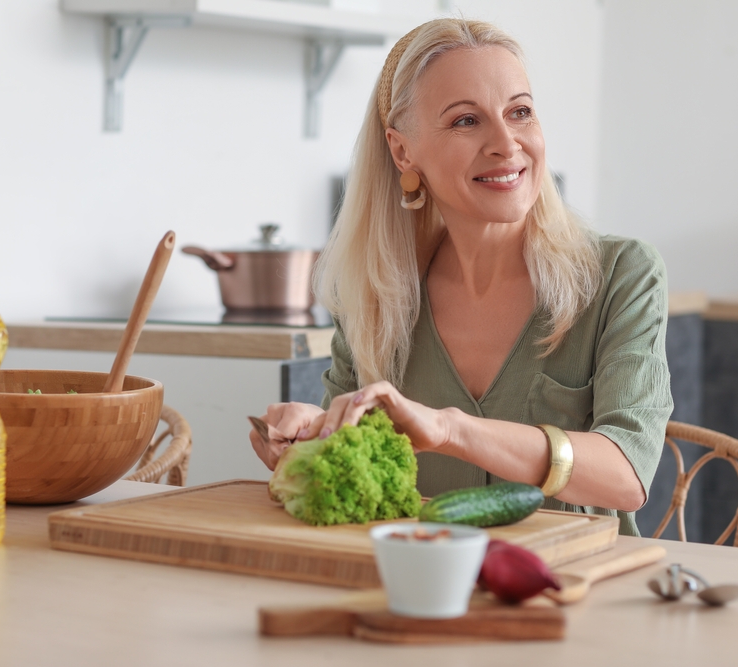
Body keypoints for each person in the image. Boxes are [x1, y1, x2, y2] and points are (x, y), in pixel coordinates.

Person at [248, 18, 673, 537]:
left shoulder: (620, 275)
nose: (506, 143)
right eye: (466, 121)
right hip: (417, 589)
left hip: (574, 592)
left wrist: (450, 429)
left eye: (520, 112)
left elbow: (627, 474)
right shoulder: (376, 296)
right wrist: (305, 441)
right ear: (403, 150)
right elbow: (349, 464)